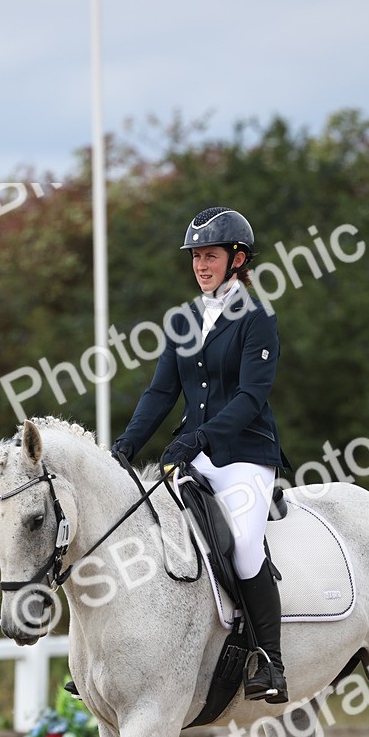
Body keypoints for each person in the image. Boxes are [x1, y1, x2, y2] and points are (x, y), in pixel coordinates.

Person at [111, 206, 288, 704]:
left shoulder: (257, 318)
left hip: (245, 455)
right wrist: (126, 445)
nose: (200, 265)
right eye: (195, 257)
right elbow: (160, 393)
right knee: (140, 533)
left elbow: (251, 397)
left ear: (237, 259)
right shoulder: (184, 320)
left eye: (210, 256)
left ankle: (270, 660)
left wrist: (200, 437)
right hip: (195, 454)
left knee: (245, 546)